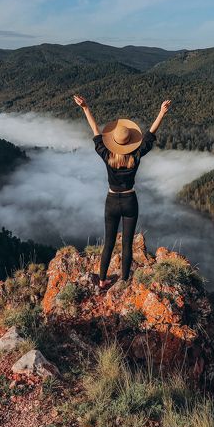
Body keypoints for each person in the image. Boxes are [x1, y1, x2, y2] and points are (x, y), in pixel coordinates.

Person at [73, 94, 171, 287]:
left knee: (108, 243)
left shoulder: (106, 155)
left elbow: (95, 131)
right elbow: (150, 135)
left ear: (113, 142)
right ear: (131, 142)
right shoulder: (135, 156)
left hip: (111, 201)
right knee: (127, 244)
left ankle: (102, 280)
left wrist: (85, 108)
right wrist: (161, 113)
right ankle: (124, 280)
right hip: (129, 201)